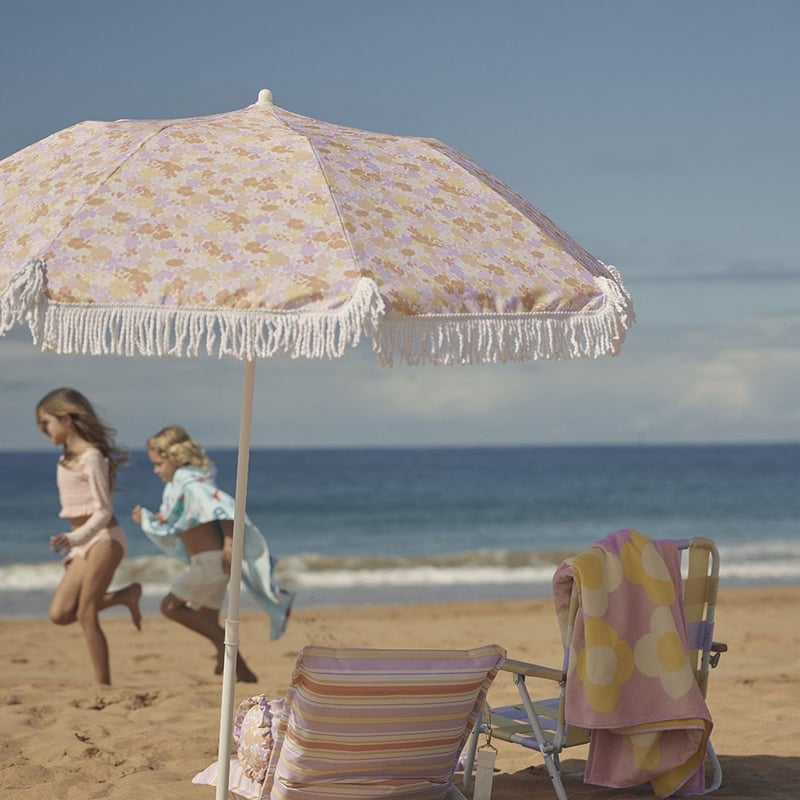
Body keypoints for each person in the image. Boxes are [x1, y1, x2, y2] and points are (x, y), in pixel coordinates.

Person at [131, 425, 294, 683]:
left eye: (159, 463)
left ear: (175, 457)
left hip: (211, 562)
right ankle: (233, 667)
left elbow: (225, 508)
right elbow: (181, 519)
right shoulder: (183, 483)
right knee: (206, 616)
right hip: (209, 562)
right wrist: (149, 520)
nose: (156, 470)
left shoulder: (188, 481)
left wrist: (230, 543)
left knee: (170, 607)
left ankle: (230, 652)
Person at [36, 387, 142, 686]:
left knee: (86, 613)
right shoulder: (65, 459)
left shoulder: (92, 457)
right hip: (82, 541)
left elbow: (104, 510)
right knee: (60, 614)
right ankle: (126, 595)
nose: (44, 430)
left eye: (47, 422)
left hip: (105, 537)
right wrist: (75, 539)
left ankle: (103, 687)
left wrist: (74, 536)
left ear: (66, 419)